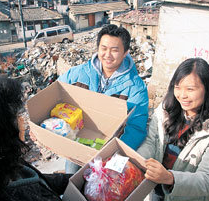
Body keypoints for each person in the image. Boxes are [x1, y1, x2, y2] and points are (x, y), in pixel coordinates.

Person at [58, 24, 149, 172]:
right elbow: (53, 96)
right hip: (77, 145)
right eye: (104, 48)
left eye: (114, 50)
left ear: (125, 52)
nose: (107, 55)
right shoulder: (77, 74)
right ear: (98, 48)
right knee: (70, 181)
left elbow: (136, 128)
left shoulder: (136, 87)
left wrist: (111, 156)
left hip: (108, 152)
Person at [137, 58, 209, 201]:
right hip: (153, 191)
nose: (182, 95)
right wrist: (138, 162)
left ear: (207, 89)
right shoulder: (166, 109)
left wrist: (170, 178)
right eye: (177, 87)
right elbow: (151, 141)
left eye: (190, 89)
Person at [0, 75, 72, 201]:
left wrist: (83, 178)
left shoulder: (1, 162)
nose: (21, 120)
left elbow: (41, 181)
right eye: (15, 115)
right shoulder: (10, 194)